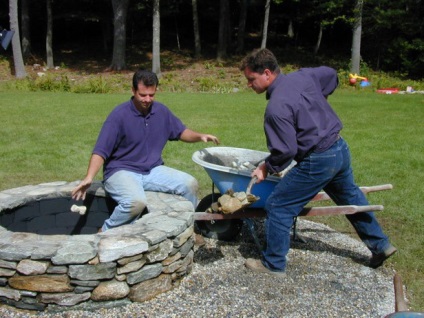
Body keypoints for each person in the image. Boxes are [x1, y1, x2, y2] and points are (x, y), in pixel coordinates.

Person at [239, 48, 396, 275]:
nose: (249, 85)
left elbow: (285, 150)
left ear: (266, 73)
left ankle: (273, 264)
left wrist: (266, 167)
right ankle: (381, 244)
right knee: (350, 195)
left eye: (251, 79)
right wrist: (319, 99)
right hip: (339, 148)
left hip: (319, 159)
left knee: (278, 205)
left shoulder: (276, 108)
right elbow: (331, 75)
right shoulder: (302, 77)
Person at [72, 69, 219, 232]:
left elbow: (180, 132)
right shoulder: (118, 116)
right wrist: (89, 177)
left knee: (189, 184)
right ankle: (104, 232)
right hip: (121, 171)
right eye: (143, 95)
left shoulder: (161, 112)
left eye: (151, 95)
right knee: (136, 202)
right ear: (133, 90)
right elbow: (101, 150)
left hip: (152, 170)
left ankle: (188, 229)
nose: (147, 99)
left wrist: (200, 136)